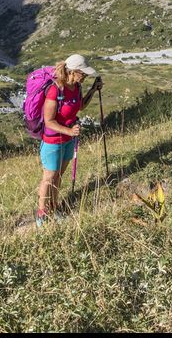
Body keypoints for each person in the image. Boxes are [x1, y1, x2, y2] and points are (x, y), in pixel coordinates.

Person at [37, 53, 103, 226]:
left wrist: (93, 89)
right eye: (84, 73)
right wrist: (69, 130)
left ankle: (54, 206)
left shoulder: (77, 87)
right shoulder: (55, 89)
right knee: (49, 177)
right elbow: (49, 121)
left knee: (59, 176)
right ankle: (42, 213)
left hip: (68, 140)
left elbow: (79, 106)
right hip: (52, 141)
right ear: (73, 71)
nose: (86, 76)